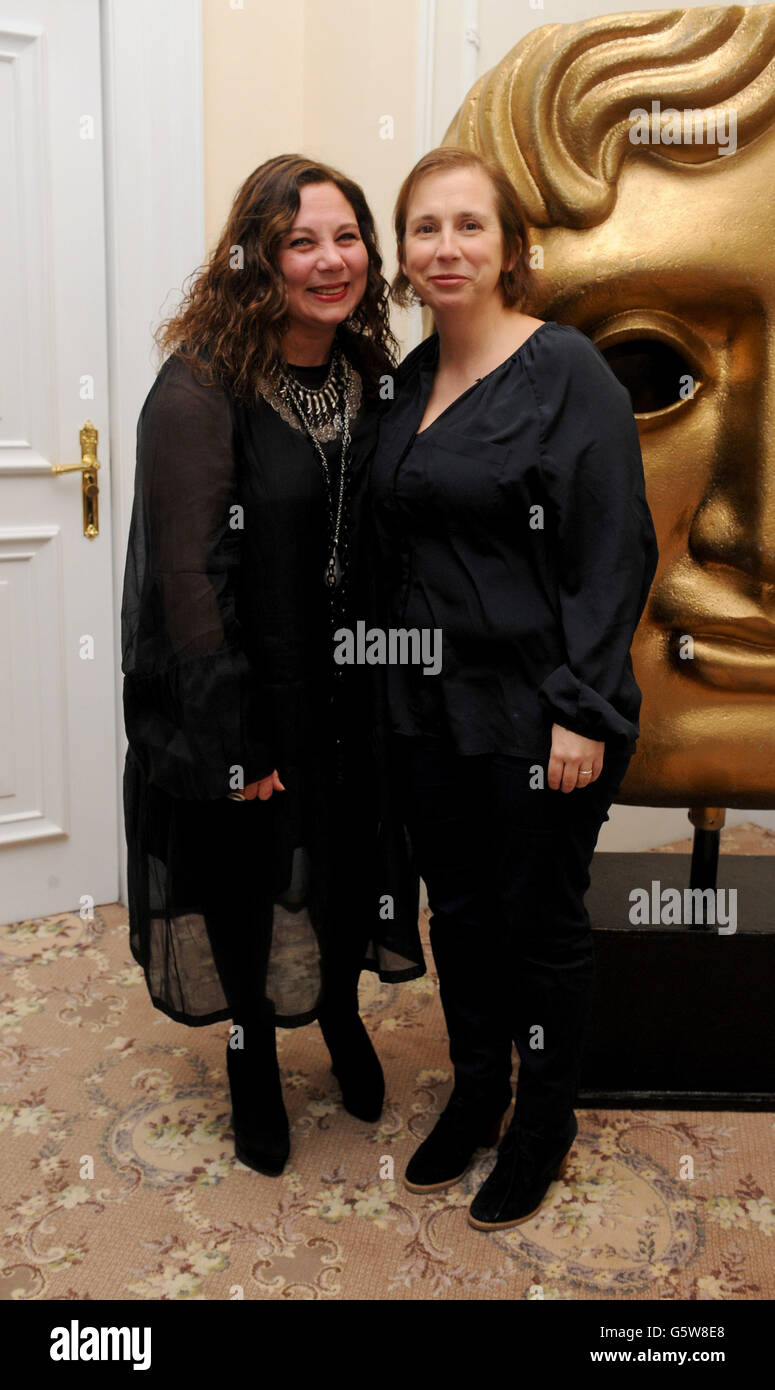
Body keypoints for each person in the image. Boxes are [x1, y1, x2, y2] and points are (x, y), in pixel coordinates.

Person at [370, 147, 659, 1229]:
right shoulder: (404, 380)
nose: (445, 247)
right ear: (404, 255)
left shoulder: (567, 370)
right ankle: (479, 1086)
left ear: (509, 249)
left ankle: (544, 1118)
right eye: (424, 228)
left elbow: (614, 546)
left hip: (543, 711)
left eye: (467, 227)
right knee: (462, 913)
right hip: (426, 710)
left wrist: (582, 707)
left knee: (540, 922)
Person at [121, 155, 424, 1179]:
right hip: (252, 691)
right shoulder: (199, 385)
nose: (330, 260)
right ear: (259, 257)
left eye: (347, 239)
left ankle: (338, 1013)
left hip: (351, 686)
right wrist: (233, 737)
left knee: (343, 863)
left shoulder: (372, 375)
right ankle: (252, 1049)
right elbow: (188, 577)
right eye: (302, 241)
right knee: (249, 879)